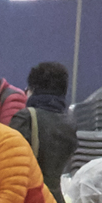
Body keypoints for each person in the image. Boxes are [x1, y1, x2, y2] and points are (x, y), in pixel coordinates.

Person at [21, 62, 77, 192]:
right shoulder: (69, 121)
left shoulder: (25, 117)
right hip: (56, 195)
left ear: (33, 89)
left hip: (29, 195)